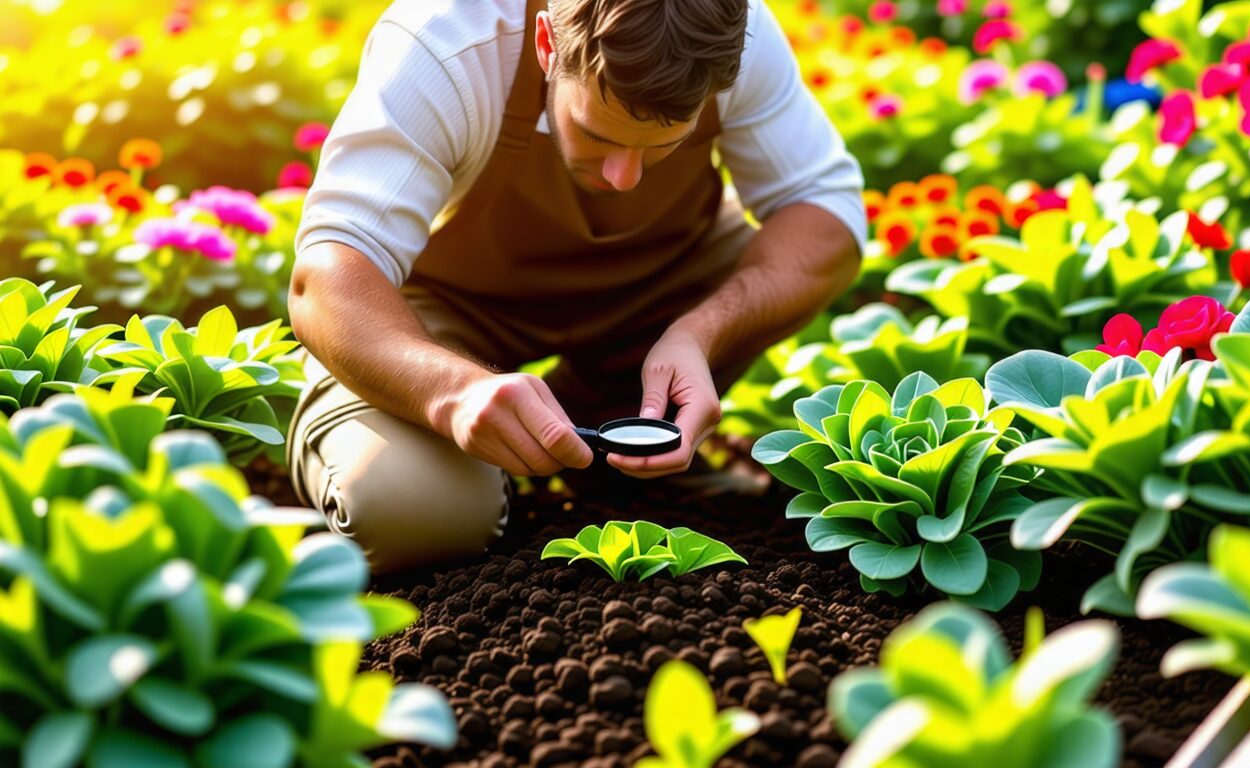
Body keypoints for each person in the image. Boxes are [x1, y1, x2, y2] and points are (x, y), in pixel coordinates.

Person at [287, 0, 865, 573]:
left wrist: (700, 334)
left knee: (781, 253)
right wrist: (450, 391)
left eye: (665, 142)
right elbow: (328, 273)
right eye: (596, 134)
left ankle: (606, 436)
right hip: (446, 316)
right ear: (546, 44)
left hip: (655, 288)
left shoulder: (732, 34)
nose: (624, 177)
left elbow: (826, 215)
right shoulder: (446, 41)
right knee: (414, 510)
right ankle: (463, 465)